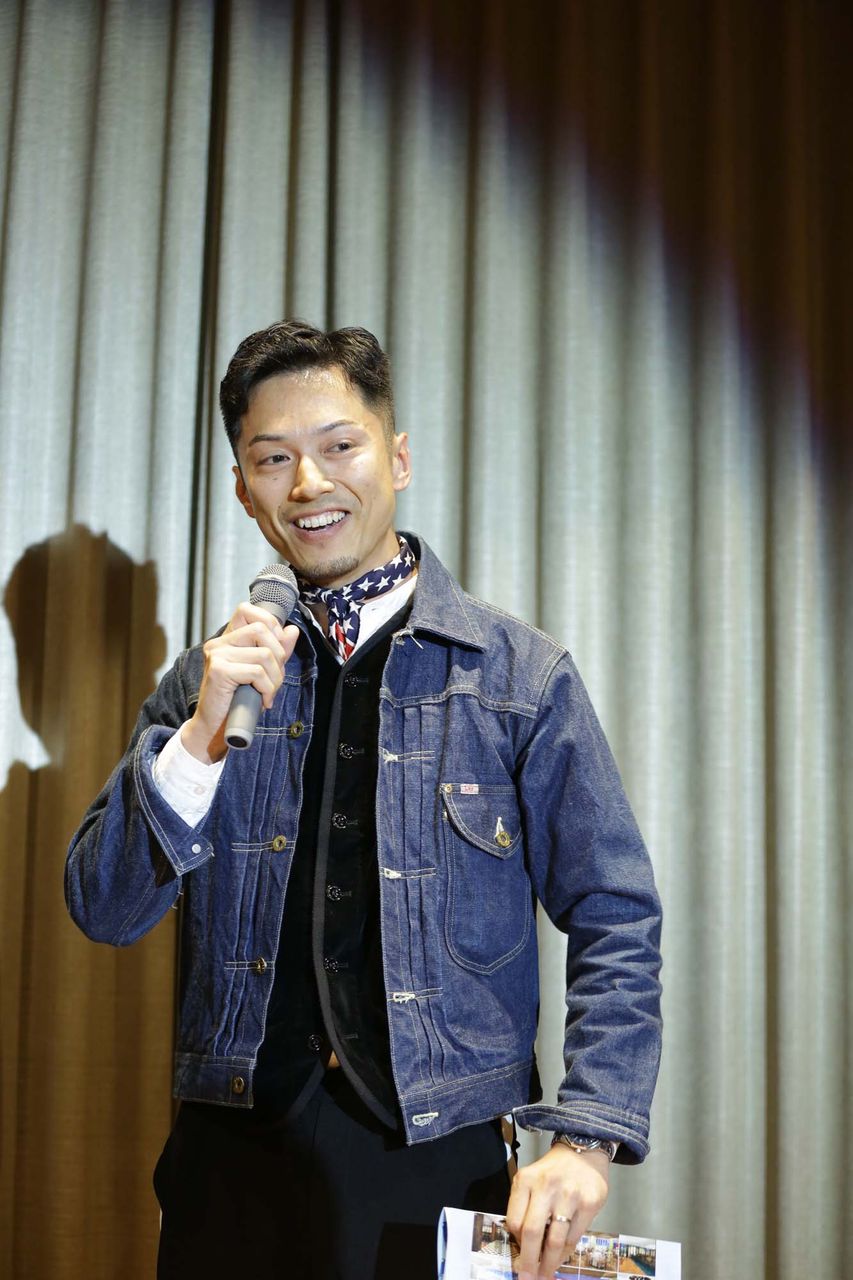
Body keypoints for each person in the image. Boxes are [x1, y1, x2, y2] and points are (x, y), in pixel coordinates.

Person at [66, 321, 662, 1280]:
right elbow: (105, 908)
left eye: (339, 446)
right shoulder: (206, 683)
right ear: (243, 488)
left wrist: (587, 1135)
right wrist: (199, 740)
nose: (309, 482)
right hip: (231, 1164)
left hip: (437, 1161)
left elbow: (615, 913)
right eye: (273, 458)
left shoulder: (516, 676)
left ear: (398, 458)